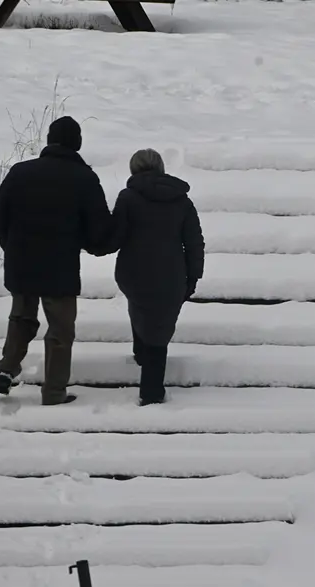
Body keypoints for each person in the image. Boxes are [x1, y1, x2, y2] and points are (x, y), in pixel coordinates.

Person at [0, 116, 112, 405]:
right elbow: (98, 229)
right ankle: (54, 392)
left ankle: (6, 371)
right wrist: (100, 244)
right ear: (77, 143)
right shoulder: (84, 178)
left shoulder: (20, 172)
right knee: (60, 330)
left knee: (21, 318)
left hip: (22, 262)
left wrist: (13, 247)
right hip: (60, 267)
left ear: (49, 140)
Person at [103, 148, 204, 406]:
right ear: (160, 167)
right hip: (171, 275)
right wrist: (193, 278)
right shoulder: (181, 201)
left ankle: (142, 361)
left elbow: (115, 238)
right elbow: (194, 243)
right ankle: (151, 390)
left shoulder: (128, 198)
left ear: (133, 169)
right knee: (159, 328)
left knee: (141, 310)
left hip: (133, 273)